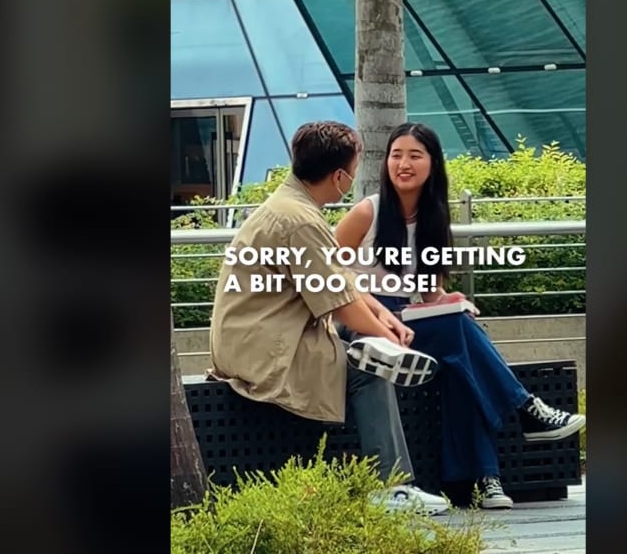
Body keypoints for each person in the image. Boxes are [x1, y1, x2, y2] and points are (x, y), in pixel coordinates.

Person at [334, 122, 587, 510]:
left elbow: (428, 290)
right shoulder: (367, 212)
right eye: (396, 154)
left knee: (460, 351)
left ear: (433, 164)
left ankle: (485, 481)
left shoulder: (435, 215)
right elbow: (329, 274)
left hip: (410, 321)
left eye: (414, 155)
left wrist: (446, 300)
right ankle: (519, 421)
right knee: (460, 335)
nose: (403, 163)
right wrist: (378, 307)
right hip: (365, 324)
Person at [207, 121, 448, 516]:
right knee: (371, 365)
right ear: (338, 176)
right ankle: (392, 486)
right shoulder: (300, 221)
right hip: (265, 350)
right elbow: (339, 304)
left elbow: (343, 282)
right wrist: (393, 342)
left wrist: (386, 318)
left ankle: (391, 482)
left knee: (368, 347)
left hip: (256, 338)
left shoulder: (290, 207)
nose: (352, 181)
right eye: (352, 173)